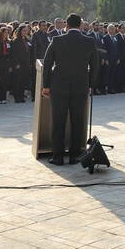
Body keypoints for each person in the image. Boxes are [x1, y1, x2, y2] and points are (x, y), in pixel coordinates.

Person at [41, 13, 99, 165]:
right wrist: (91, 85)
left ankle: (58, 156)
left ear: (66, 25)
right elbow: (95, 66)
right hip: (81, 87)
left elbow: (47, 64)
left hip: (59, 86)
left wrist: (46, 85)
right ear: (80, 25)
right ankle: (75, 155)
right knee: (77, 121)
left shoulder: (57, 40)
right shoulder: (89, 41)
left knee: (58, 122)